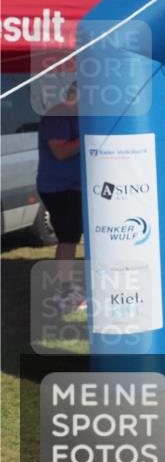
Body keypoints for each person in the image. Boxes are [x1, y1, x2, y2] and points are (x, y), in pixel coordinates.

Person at [37, 83, 85, 313]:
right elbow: (60, 151)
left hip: (75, 186)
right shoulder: (58, 115)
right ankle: (65, 290)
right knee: (68, 237)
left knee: (72, 236)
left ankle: (69, 287)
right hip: (59, 187)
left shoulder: (75, 116)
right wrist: (87, 135)